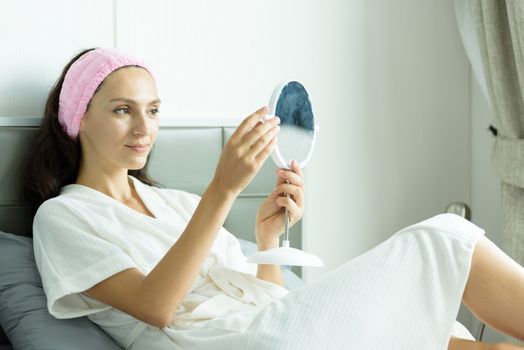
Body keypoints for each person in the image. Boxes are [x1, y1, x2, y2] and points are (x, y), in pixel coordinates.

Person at [21, 47, 524, 350]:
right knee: (446, 236)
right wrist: (222, 190)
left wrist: (265, 237)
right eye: (122, 110)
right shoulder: (63, 217)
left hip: (269, 326)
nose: (144, 128)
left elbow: (268, 298)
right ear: (77, 118)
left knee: (460, 342)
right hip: (225, 345)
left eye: (153, 110)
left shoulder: (174, 204)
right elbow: (154, 306)